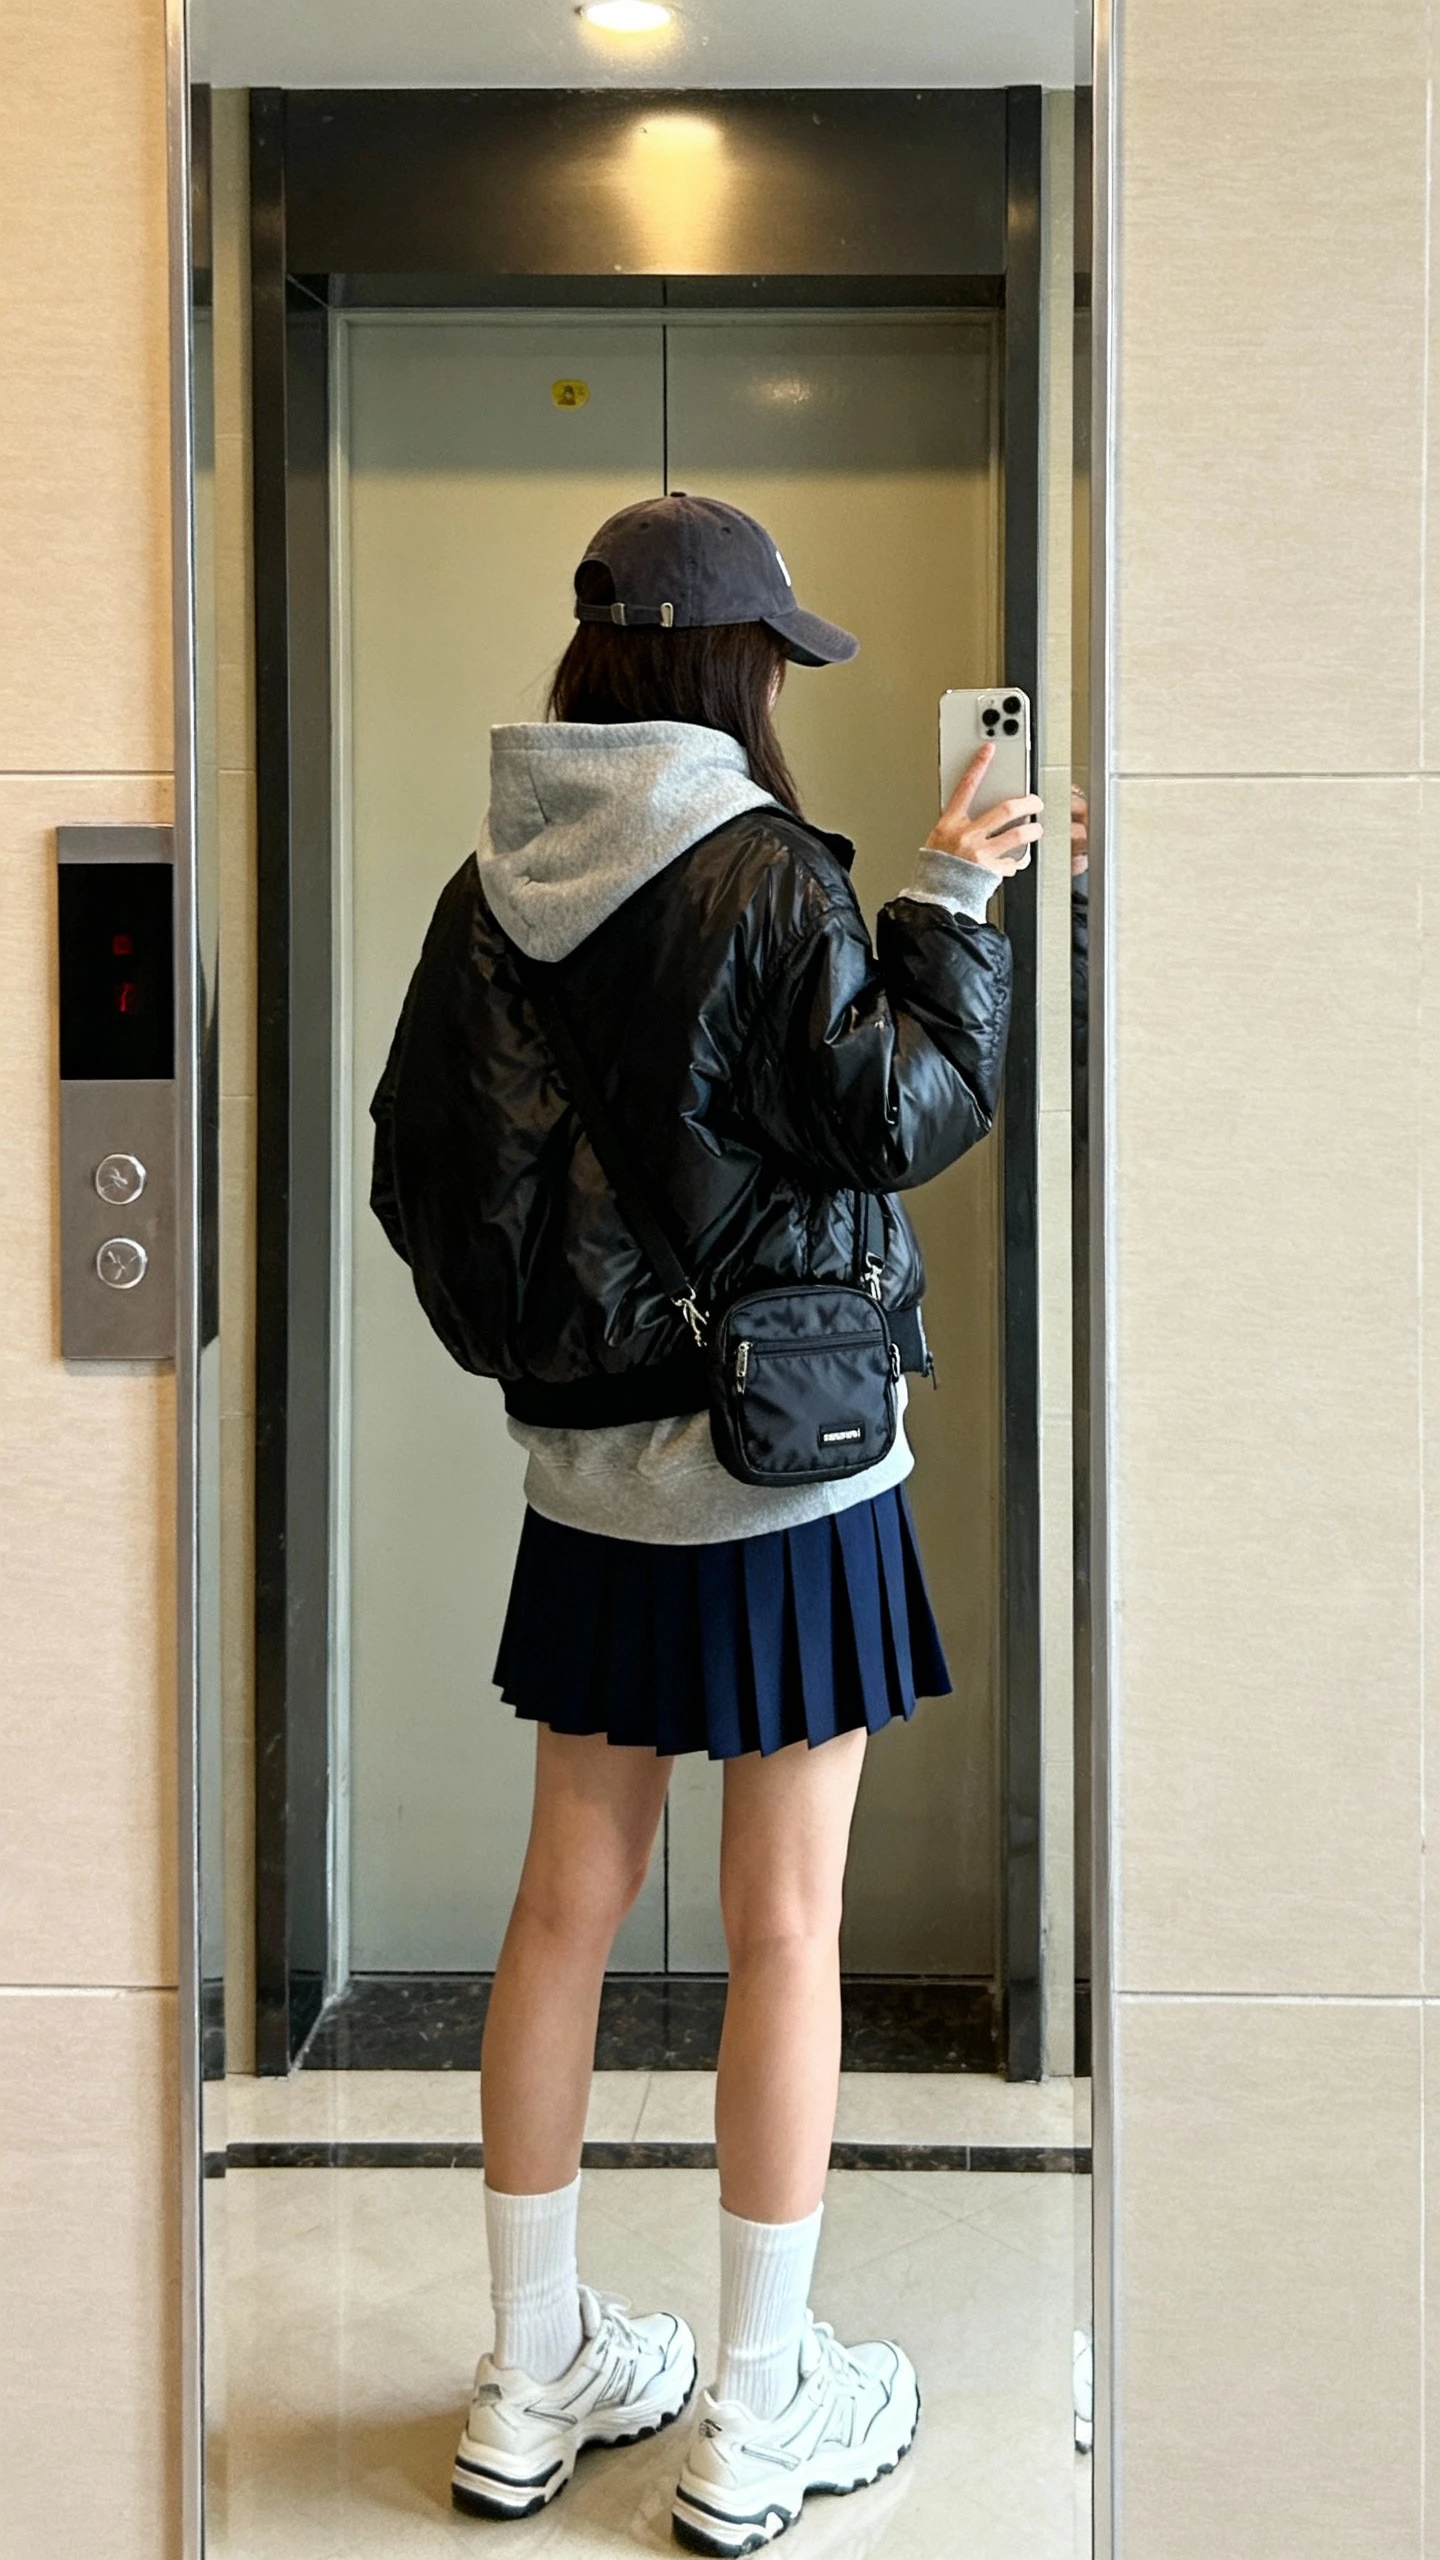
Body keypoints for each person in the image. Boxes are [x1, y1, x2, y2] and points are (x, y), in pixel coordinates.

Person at [369, 493, 1038, 2553]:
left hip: (591, 1483)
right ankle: (759, 2408)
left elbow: (419, 1169)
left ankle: (528, 2372)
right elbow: (895, 1111)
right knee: (788, 1925)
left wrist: (559, 1357)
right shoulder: (763, 866)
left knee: (562, 1906)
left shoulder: (490, 884)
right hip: (787, 1465)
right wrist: (955, 896)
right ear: (731, 668)